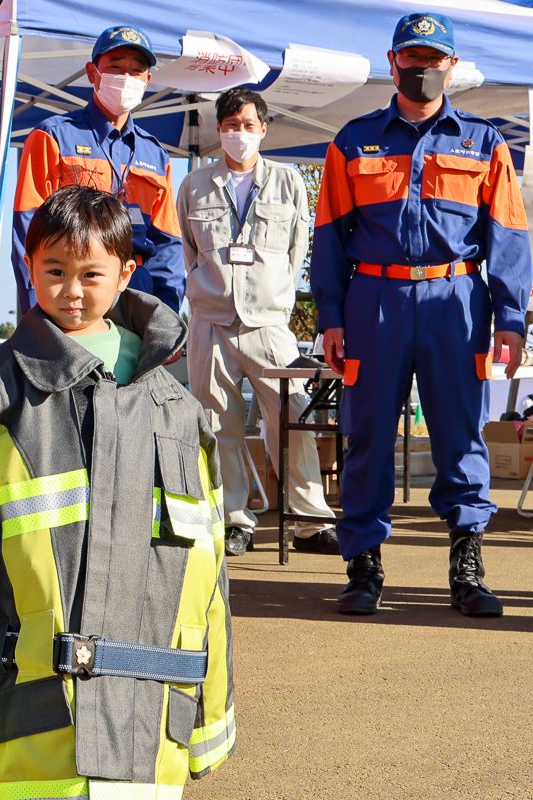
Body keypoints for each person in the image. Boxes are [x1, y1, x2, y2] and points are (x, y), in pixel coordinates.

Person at [0, 186, 235, 798]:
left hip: (158, 728)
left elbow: (210, 582)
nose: (71, 291)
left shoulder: (180, 413)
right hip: (41, 724)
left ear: (127, 274)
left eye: (90, 274)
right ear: (29, 268)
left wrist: (212, 717)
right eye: (54, 271)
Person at [312, 12, 531, 617]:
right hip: (372, 303)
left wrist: (511, 320)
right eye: (412, 58)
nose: (423, 68)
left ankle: (466, 568)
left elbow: (509, 237)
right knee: (366, 436)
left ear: (452, 67)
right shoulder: (352, 141)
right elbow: (328, 234)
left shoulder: (486, 144)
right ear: (392, 62)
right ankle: (363, 567)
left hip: (457, 302)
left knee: (461, 436)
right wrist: (330, 316)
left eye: (435, 59)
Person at [178, 88, 338, 558]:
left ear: (263, 129)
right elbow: (190, 251)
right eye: (230, 126)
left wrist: (274, 299)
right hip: (210, 322)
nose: (238, 134)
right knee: (217, 424)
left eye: (247, 125)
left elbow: (296, 252)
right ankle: (234, 520)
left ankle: (310, 520)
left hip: (269, 325)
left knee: (293, 417)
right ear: (218, 130)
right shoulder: (194, 185)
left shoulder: (288, 182)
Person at [11, 24, 185, 315]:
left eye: (136, 71)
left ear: (148, 80)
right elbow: (28, 229)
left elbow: (167, 243)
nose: (126, 78)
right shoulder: (53, 137)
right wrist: (36, 312)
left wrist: (167, 316)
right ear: (93, 73)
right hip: (73, 290)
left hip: (137, 292)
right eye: (116, 68)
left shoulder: (155, 154)